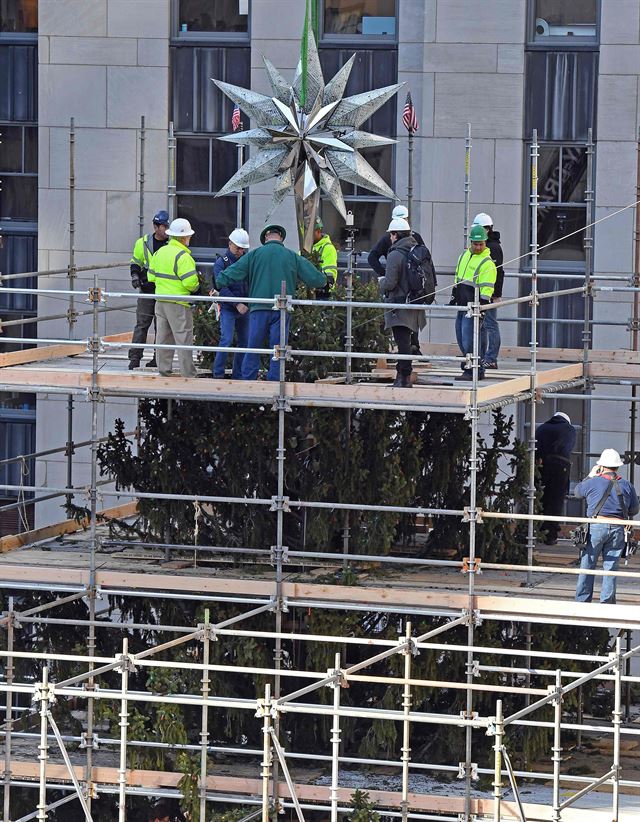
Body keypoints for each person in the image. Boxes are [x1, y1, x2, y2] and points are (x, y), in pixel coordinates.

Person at [215, 224, 326, 381]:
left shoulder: (254, 255)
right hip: (282, 309)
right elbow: (317, 279)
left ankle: (248, 381)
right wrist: (325, 280)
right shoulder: (291, 256)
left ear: (266, 238)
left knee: (253, 346)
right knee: (278, 349)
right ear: (281, 238)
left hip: (258, 308)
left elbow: (229, 274)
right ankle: (274, 381)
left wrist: (219, 281)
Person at [574, 449, 639, 604]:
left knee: (587, 565)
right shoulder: (627, 485)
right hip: (618, 528)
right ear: (617, 467)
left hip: (596, 526)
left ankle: (582, 601)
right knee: (611, 567)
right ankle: (607, 603)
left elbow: (577, 493)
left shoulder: (592, 481)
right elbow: (634, 510)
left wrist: (590, 475)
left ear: (601, 466)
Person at [368, 204, 434, 355]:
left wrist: (384, 276)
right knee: (410, 319)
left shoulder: (390, 239)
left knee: (398, 323)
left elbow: (373, 257)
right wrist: (429, 284)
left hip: (399, 288)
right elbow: (427, 262)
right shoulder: (413, 238)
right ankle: (413, 348)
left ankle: (405, 359)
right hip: (413, 288)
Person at [147, 218, 200, 378]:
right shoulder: (183, 256)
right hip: (178, 303)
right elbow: (191, 283)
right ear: (184, 238)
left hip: (161, 301)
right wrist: (197, 286)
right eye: (189, 236)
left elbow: (151, 276)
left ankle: (164, 370)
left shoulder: (159, 252)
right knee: (183, 338)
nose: (189, 239)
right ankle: (188, 373)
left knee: (163, 338)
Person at [378, 217, 426, 388]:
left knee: (402, 342)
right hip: (415, 302)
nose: (390, 238)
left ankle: (403, 377)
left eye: (391, 234)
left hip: (399, 305)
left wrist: (380, 282)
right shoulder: (416, 249)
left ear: (395, 234)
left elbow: (390, 283)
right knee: (407, 341)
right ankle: (403, 375)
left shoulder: (395, 254)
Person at [451, 225, 497, 381]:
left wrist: (482, 307)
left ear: (485, 243)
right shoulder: (464, 256)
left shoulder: (487, 262)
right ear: (470, 242)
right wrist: (454, 295)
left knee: (470, 340)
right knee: (461, 338)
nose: (478, 247)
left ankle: (475, 370)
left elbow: (487, 288)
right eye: (475, 244)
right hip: (463, 305)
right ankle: (469, 367)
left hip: (474, 306)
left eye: (481, 244)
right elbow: (458, 276)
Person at [128, 210, 170, 370]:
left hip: (163, 291)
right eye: (164, 226)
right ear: (155, 226)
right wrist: (134, 275)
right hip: (147, 290)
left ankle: (157, 358)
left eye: (167, 226)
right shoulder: (143, 242)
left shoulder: (170, 244)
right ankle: (134, 358)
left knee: (161, 327)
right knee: (142, 325)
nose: (166, 229)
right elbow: (136, 262)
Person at [212, 228, 251, 380]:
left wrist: (246, 303)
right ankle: (218, 374)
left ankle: (238, 375)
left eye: (242, 248)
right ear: (230, 244)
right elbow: (221, 288)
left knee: (245, 341)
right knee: (226, 339)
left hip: (245, 306)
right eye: (238, 248)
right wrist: (237, 304)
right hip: (230, 307)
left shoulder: (246, 261)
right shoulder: (221, 263)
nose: (240, 251)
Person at [535, 411, 577, 545]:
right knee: (556, 500)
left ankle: (536, 531)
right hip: (561, 466)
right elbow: (568, 448)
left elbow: (536, 447)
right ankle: (550, 535)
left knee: (540, 498)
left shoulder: (542, 428)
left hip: (542, 465)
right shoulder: (569, 430)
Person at [472, 212, 504, 370]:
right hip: (484, 293)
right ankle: (482, 356)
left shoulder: (493, 247)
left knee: (490, 324)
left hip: (488, 293)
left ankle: (490, 358)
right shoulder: (489, 245)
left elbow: (498, 272)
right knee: (483, 326)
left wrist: (496, 294)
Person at [312, 217, 338, 291]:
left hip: (323, 294)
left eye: (310, 233)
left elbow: (330, 273)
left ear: (318, 231)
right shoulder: (305, 247)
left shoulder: (328, 248)